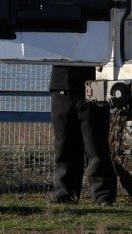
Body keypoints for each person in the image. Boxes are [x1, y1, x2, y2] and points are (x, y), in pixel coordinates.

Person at [48, 65, 115, 204]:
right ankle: (66, 195)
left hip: (93, 85)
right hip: (62, 87)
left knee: (95, 146)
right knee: (64, 145)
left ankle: (104, 196)